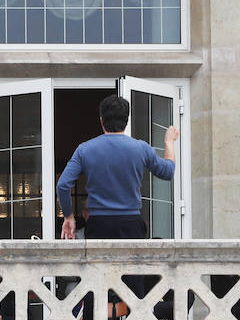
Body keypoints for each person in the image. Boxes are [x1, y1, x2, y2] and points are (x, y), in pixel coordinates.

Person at [57, 94, 178, 240]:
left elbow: (63, 185)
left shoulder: (84, 149)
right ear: (126, 122)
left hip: (98, 225)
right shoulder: (141, 148)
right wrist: (169, 142)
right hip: (131, 224)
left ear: (101, 121)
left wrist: (69, 217)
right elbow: (168, 172)